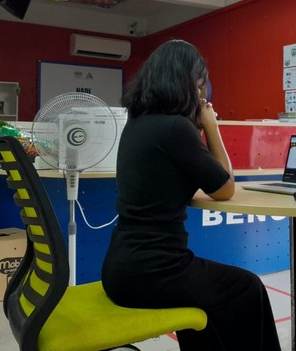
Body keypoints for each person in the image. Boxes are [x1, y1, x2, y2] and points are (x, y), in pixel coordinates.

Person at [102, 40, 281, 350]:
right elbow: (225, 188)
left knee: (206, 307)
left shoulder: (138, 123)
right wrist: (212, 126)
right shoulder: (175, 128)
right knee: (248, 287)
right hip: (156, 270)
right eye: (199, 83)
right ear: (185, 82)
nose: (202, 93)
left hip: (123, 267)